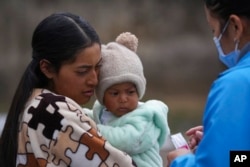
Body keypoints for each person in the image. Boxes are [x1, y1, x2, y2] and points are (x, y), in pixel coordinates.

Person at [0, 12, 138, 167]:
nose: (94, 79)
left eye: (97, 67)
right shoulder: (52, 110)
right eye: (82, 71)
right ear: (47, 68)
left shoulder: (30, 102)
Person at [167, 0, 250, 166]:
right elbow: (240, 158)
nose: (215, 38)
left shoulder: (235, 85)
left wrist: (181, 160)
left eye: (214, 30)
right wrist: (221, 141)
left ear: (235, 27)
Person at [85, 32, 170, 167]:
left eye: (130, 92)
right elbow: (89, 117)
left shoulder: (143, 117)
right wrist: (77, 114)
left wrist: (93, 129)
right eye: (114, 93)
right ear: (102, 97)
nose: (123, 99)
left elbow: (126, 140)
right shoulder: (101, 110)